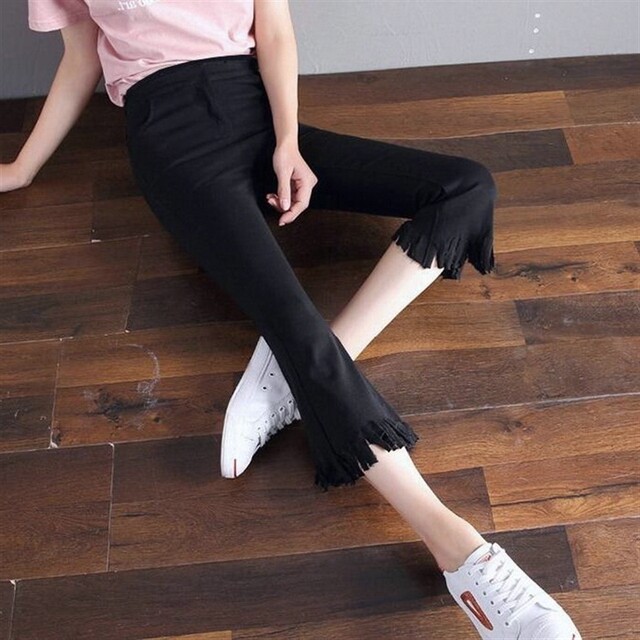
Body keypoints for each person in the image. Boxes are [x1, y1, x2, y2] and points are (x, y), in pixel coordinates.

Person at [2, 1, 582, 638]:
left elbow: (273, 28)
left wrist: (287, 143)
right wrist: (22, 168)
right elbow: (81, 56)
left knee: (466, 188)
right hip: (170, 138)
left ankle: (295, 369)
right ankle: (467, 561)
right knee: (295, 325)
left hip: (255, 109)